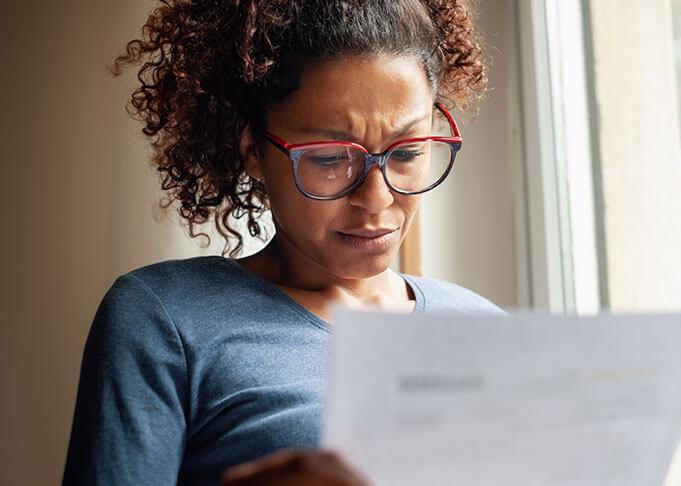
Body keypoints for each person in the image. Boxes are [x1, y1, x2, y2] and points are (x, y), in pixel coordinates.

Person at [63, 1, 501, 484]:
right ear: (252, 149)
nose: (377, 200)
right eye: (331, 158)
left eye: (408, 152)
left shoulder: (484, 328)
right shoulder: (167, 319)